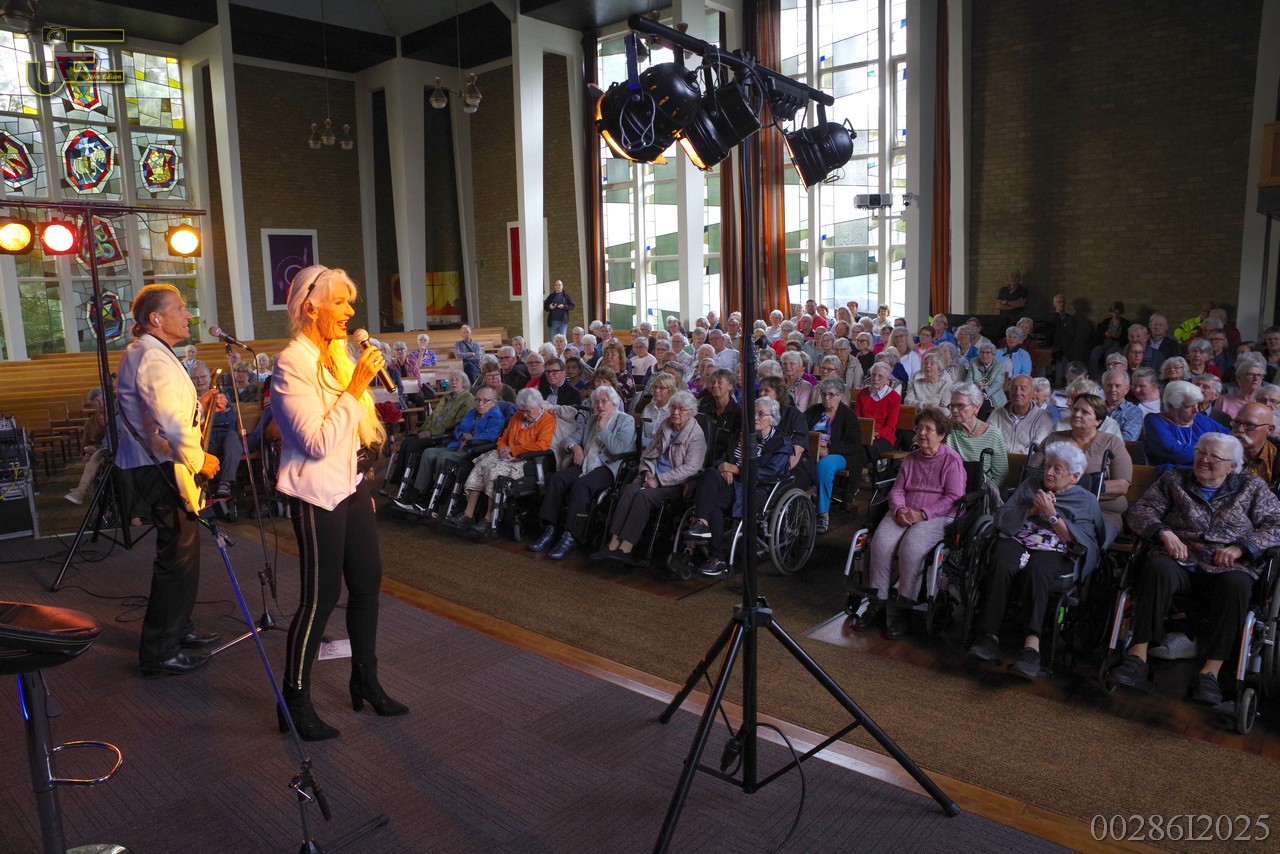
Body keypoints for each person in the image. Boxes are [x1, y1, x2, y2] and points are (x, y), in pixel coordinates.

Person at [271, 266, 404, 740]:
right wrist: (355, 388)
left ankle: (365, 680)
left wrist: (363, 471)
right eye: (340, 302)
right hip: (315, 493)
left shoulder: (337, 354)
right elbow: (315, 443)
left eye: (351, 301)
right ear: (311, 308)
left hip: (350, 488)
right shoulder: (292, 363)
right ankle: (294, 701)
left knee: (367, 584)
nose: (350, 311)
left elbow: (351, 434)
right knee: (320, 598)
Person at [1109, 433, 1280, 704]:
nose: (1204, 460)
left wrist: (1241, 547)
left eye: (1214, 456)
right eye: (1201, 453)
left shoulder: (1251, 486)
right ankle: (1137, 657)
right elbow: (1141, 511)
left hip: (1228, 565)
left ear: (1232, 466)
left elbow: (1276, 524)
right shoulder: (1175, 479)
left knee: (1238, 585)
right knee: (1156, 569)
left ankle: (1210, 673)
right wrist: (1164, 532)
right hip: (1180, 557)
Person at [115, 284, 222, 678]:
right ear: (155, 319)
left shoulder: (151, 352)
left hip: (160, 464)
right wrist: (201, 460)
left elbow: (169, 411)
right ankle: (160, 651)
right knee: (176, 558)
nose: (188, 314)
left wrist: (201, 405)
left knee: (182, 555)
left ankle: (178, 629)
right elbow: (172, 428)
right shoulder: (151, 357)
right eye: (179, 308)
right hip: (161, 468)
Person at [967, 443, 1105, 677]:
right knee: (1002, 559)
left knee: (1038, 570)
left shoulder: (1086, 500)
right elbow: (1002, 517)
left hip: (1057, 549)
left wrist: (1051, 515)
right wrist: (1032, 510)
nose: (1048, 472)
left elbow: (1081, 542)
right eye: (1047, 466)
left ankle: (1031, 647)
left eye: (1057, 469)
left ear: (1074, 477)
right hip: (1019, 538)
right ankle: (988, 636)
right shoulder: (1031, 485)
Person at [856, 408, 967, 640]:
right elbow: (897, 490)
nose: (922, 433)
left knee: (911, 547)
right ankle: (877, 603)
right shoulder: (911, 458)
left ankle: (903, 608)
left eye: (928, 429)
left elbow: (954, 497)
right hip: (905, 510)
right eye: (919, 428)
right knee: (880, 543)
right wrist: (899, 509)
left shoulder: (952, 460)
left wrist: (923, 514)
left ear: (941, 435)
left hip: (938, 515)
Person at [593, 391, 706, 566]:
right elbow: (647, 453)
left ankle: (626, 548)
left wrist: (659, 480)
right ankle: (613, 543)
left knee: (643, 496)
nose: (675, 412)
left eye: (681, 409)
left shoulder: (696, 435)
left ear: (690, 413)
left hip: (675, 484)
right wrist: (647, 472)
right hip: (651, 477)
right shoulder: (665, 426)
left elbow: (690, 469)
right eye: (673, 408)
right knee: (629, 490)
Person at [687, 397, 793, 580]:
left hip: (756, 490)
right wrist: (722, 467)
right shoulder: (739, 435)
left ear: (773, 419)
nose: (755, 417)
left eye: (761, 414)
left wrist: (736, 469)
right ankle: (702, 524)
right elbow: (720, 458)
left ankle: (717, 557)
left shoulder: (781, 442)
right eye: (753, 413)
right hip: (730, 484)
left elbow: (769, 471)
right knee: (710, 473)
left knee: (715, 503)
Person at [528, 385, 637, 560]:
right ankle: (550, 528)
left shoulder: (625, 420)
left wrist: (603, 429)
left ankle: (571, 535)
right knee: (557, 479)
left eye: (604, 401)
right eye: (596, 402)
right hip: (586, 464)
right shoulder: (592, 420)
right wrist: (576, 447)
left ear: (614, 403)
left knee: (581, 485)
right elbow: (568, 440)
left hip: (607, 467)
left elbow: (618, 449)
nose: (600, 405)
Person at [447, 387, 556, 535]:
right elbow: (503, 438)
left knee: (494, 470)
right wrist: (502, 448)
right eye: (522, 410)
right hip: (505, 453)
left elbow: (542, 445)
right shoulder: (517, 416)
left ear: (539, 406)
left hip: (525, 459)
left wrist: (514, 450)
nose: (524, 415)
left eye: (528, 411)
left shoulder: (547, 420)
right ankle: (468, 513)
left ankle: (489, 518)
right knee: (481, 464)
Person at [1033, 394, 1132, 535]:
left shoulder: (1112, 443)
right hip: (1053, 506)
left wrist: (1075, 488)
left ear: (1098, 420)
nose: (1077, 414)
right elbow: (1031, 473)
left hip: (1099, 511)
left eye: (1085, 412)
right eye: (1075, 409)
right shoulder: (1054, 438)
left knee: (1087, 539)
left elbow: (1122, 485)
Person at [385, 370, 481, 505]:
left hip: (444, 436)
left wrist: (431, 433)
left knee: (413, 446)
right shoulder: (447, 397)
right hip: (432, 432)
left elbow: (456, 423)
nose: (453, 382)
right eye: (451, 380)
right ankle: (399, 483)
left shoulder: (467, 399)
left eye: (456, 380)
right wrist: (424, 430)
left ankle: (408, 487)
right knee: (407, 442)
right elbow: (433, 417)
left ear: (464, 383)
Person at [806, 377, 864, 535]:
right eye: (824, 394)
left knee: (825, 466)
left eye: (831, 394)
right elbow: (801, 429)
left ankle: (822, 513)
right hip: (812, 451)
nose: (826, 398)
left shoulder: (848, 415)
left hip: (839, 454)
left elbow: (854, 445)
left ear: (840, 396)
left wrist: (829, 450)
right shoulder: (814, 410)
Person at [1141, 380, 1231, 468]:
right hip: (1173, 474)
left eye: (1197, 404)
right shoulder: (1154, 420)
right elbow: (1176, 453)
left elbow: (1229, 437)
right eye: (1189, 406)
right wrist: (1215, 451)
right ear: (1171, 406)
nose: (1196, 410)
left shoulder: (1200, 418)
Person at [946, 383, 1008, 487]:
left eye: (960, 406)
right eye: (952, 405)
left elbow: (1000, 476)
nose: (954, 410)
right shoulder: (946, 430)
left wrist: (984, 492)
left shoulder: (993, 435)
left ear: (976, 408)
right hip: (950, 487)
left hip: (981, 490)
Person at [64, 387, 110, 505]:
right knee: (93, 457)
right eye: (97, 401)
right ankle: (98, 503)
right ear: (92, 404)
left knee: (97, 456)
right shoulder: (90, 423)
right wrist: (86, 451)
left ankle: (81, 491)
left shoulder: (118, 415)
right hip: (98, 452)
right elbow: (85, 444)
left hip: (117, 448)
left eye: (103, 399)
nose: (101, 403)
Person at [987, 374, 1054, 454]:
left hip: (1027, 461)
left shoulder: (1044, 417)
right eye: (1013, 388)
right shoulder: (997, 413)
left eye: (1023, 389)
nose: (1018, 393)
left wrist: (1014, 458)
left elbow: (1036, 448)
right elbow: (989, 440)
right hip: (998, 460)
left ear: (1032, 393)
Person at [1231, 401, 1280, 486]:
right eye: (1236, 423)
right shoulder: (1216, 451)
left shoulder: (1275, 458)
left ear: (1270, 430)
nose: (1240, 429)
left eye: (1250, 425)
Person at [1215, 352, 1266, 419]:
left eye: (1259, 375)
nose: (1256, 379)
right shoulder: (1223, 400)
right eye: (1251, 374)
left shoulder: (1266, 403)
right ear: (1239, 378)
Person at [905, 350, 955, 415]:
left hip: (936, 418)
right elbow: (907, 402)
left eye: (932, 364)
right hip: (916, 417)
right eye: (926, 363)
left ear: (939, 368)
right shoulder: (915, 383)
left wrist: (933, 410)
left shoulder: (945, 385)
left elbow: (947, 411)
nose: (928, 366)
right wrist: (925, 405)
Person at [967, 341, 1008, 410]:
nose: (984, 355)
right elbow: (969, 379)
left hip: (993, 395)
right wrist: (972, 391)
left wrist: (985, 393)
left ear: (993, 355)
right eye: (982, 352)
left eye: (988, 352)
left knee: (980, 405)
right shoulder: (974, 361)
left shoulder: (1000, 365)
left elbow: (997, 383)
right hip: (975, 393)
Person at [640, 372, 677, 447]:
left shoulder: (674, 411)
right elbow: (641, 433)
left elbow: (672, 440)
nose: (656, 390)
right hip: (644, 449)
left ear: (671, 390)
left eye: (661, 388)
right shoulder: (648, 407)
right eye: (655, 387)